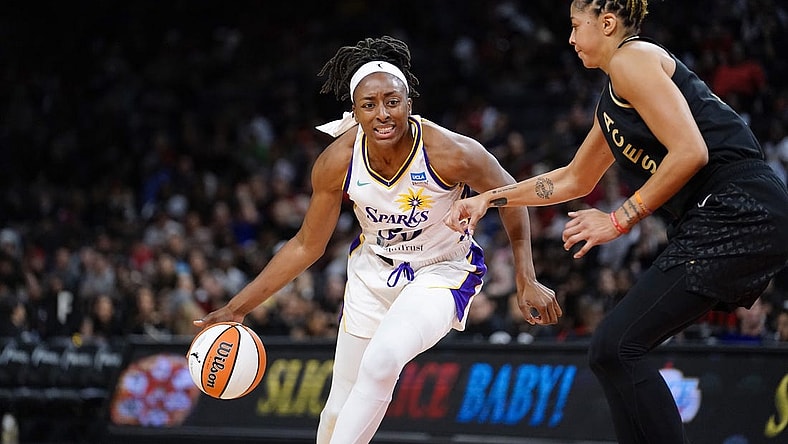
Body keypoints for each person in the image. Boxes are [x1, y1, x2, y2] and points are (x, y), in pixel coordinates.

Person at [445, 1, 788, 443]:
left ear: (606, 23)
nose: (570, 38)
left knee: (616, 346)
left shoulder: (633, 58)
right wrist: (489, 198)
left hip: (738, 206)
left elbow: (691, 152)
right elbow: (573, 179)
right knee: (612, 351)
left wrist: (619, 219)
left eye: (576, 26)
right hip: (722, 212)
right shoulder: (615, 97)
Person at [194, 35, 561, 443]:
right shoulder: (337, 161)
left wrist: (525, 276)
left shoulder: (451, 151)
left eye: (392, 101)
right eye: (369, 105)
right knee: (337, 410)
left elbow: (512, 197)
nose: (382, 114)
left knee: (382, 361)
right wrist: (237, 307)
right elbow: (306, 245)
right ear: (355, 112)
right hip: (372, 273)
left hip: (441, 271)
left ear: (409, 104)